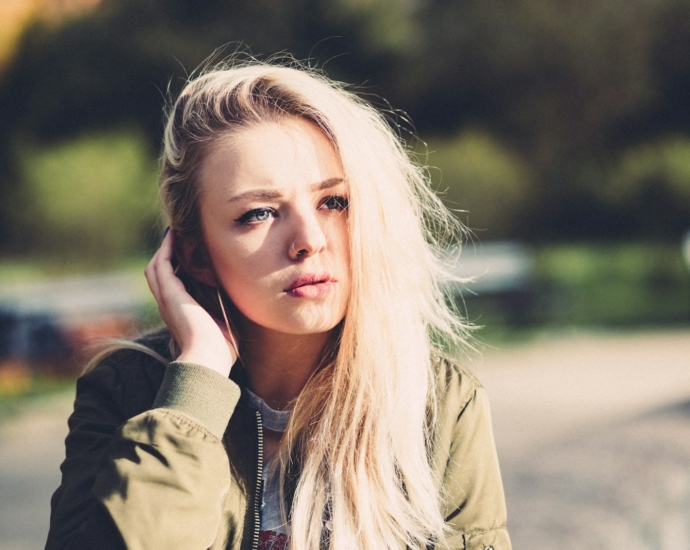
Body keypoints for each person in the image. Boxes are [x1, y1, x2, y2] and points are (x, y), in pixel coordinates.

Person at [45, 58, 511, 550]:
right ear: (196, 254)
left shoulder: (436, 404)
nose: (309, 239)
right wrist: (196, 388)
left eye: (333, 202)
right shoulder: (128, 392)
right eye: (258, 213)